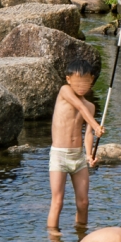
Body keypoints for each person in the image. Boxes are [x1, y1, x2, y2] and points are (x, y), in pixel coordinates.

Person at [47, 57, 104, 232]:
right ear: (68, 79)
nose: (81, 86)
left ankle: (81, 234)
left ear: (91, 81)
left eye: (85, 81)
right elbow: (79, 107)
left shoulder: (91, 107)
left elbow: (87, 134)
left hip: (78, 157)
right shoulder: (65, 91)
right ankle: (53, 240)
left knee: (83, 201)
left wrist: (89, 155)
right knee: (58, 201)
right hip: (59, 155)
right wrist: (96, 125)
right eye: (77, 81)